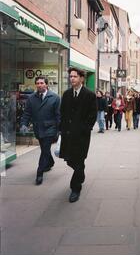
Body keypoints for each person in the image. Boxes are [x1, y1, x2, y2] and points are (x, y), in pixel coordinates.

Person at [59, 68, 97, 203]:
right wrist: (61, 130)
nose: (72, 79)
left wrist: (85, 129)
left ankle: (75, 188)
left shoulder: (90, 95)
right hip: (68, 135)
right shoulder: (66, 94)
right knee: (70, 160)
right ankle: (81, 173)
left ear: (82, 78)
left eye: (75, 76)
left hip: (81, 136)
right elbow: (62, 114)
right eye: (70, 76)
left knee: (79, 160)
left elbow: (92, 116)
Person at [20, 76, 60, 185]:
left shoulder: (55, 97)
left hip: (50, 129)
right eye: (37, 83)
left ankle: (39, 173)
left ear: (46, 84)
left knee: (44, 149)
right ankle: (50, 162)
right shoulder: (31, 98)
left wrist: (60, 130)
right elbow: (27, 113)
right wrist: (23, 124)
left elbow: (58, 115)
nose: (39, 85)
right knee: (44, 149)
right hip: (38, 129)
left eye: (41, 83)